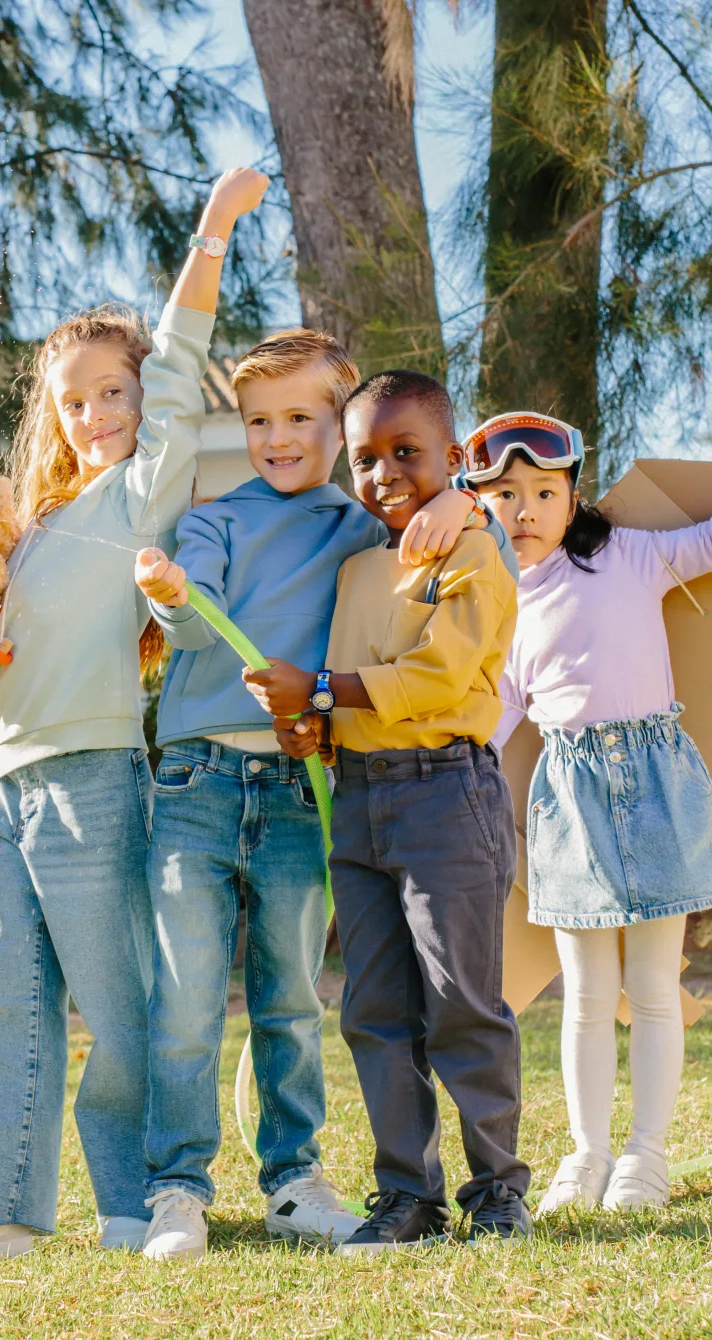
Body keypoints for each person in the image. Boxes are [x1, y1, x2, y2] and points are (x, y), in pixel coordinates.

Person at [0, 166, 270, 1269]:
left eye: (114, 390)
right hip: (5, 779)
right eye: (74, 399)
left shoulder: (141, 487)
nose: (95, 412)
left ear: (145, 398)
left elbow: (184, 351)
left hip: (93, 779)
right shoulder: (36, 520)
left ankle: (143, 1200)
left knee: (116, 1000)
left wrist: (209, 232)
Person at [128, 331, 496, 1262]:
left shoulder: (364, 527)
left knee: (292, 995)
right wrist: (171, 591)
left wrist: (462, 500)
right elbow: (191, 610)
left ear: (338, 426)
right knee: (187, 997)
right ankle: (177, 1190)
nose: (278, 437)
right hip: (199, 779)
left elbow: (437, 546)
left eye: (301, 418)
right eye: (259, 421)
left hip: (303, 784)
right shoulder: (215, 517)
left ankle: (293, 1180)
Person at [466, 410, 712, 1215]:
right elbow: (492, 719)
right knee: (589, 993)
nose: (524, 510)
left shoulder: (626, 555)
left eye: (544, 493)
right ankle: (587, 1154)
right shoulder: (497, 609)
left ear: (572, 498)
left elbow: (709, 543)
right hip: (568, 800)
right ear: (478, 501)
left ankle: (646, 1156)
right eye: (506, 493)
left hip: (658, 783)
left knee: (653, 984)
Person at [251, 370, 529, 1252]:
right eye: (366, 458)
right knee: (374, 1009)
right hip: (362, 804)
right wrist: (313, 731)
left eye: (406, 454)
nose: (383, 473)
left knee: (461, 1003)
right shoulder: (357, 568)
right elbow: (340, 701)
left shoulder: (471, 551)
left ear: (453, 459)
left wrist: (324, 690)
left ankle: (497, 1194)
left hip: (448, 794)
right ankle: (408, 1197)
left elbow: (441, 677)